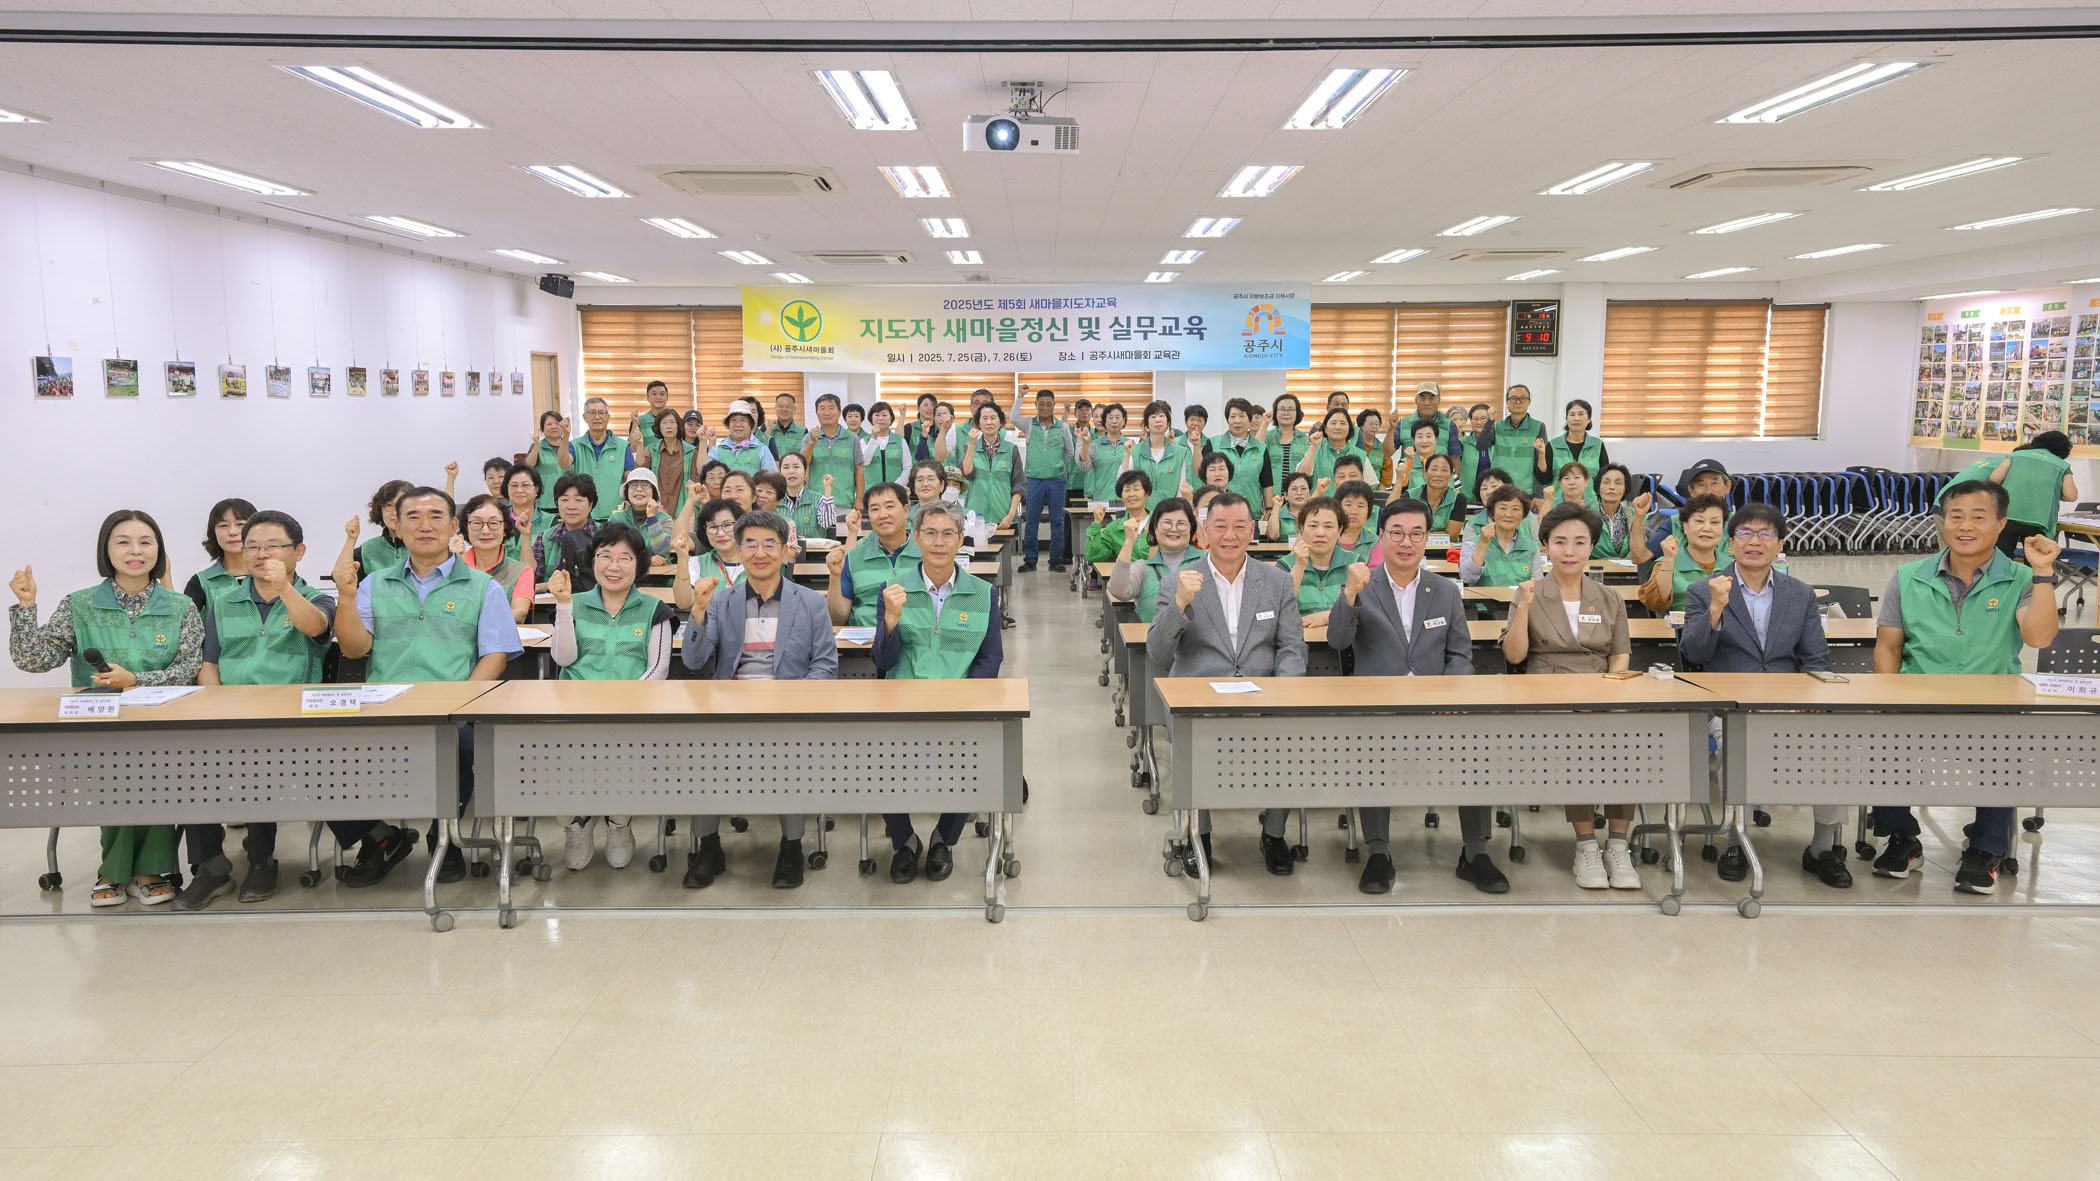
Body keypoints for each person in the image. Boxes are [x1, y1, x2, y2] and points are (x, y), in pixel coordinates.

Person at [1870, 480, 2060, 894]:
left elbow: (2040, 637)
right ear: (1943, 522)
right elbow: (1888, 645)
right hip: (1918, 705)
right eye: (1955, 516)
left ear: (2001, 523)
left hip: (1992, 709)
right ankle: (1902, 838)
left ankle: (1985, 849)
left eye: (1978, 516)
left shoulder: (2020, 578)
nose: (1965, 526)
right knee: (1882, 740)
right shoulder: (1909, 577)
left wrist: (2043, 573)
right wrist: (1888, 699)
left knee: (2009, 748)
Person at [328, 488, 520, 887]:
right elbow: (355, 648)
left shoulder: (483, 587)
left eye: (436, 516)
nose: (425, 526)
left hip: (452, 710)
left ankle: (443, 835)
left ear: (453, 526)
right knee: (324, 754)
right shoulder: (375, 584)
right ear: (397, 527)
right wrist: (346, 598)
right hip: (384, 709)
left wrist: (459, 705)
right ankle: (380, 838)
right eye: (413, 517)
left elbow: (495, 656)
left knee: (460, 747)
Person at [10, 509, 202, 907]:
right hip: (98, 727)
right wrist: (26, 606)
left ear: (158, 550)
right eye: (123, 542)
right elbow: (35, 660)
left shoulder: (181, 606)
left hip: (162, 723)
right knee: (116, 773)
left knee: (154, 771)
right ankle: (124, 871)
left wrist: (136, 680)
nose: (136, 551)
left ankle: (136, 871)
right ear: (107, 550)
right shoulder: (79, 605)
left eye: (145, 542)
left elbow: (188, 668)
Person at [1328, 497, 1505, 895]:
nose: (1406, 542)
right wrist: (1349, 595)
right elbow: (1338, 640)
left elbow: (1459, 655)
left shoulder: (1444, 590)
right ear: (1381, 536)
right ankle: (1378, 852)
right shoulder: (1362, 584)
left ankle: (1475, 853)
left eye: (1415, 534)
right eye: (1396, 533)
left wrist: (1449, 698)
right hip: (1379, 708)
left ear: (1427, 539)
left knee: (1479, 743)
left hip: (1437, 706)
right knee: (1369, 748)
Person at [1679, 503, 1846, 887]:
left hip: (1789, 705)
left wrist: (1813, 705)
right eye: (1745, 533)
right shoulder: (1704, 591)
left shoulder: (1800, 594)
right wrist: (1716, 610)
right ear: (1731, 543)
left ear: (1780, 544)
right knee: (1736, 746)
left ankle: (1822, 849)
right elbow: (1694, 654)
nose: (1755, 541)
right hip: (1730, 708)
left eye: (1765, 534)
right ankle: (1736, 841)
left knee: (1833, 747)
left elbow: (1815, 658)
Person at [178, 509, 335, 908]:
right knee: (188, 762)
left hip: (290, 718)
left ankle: (262, 859)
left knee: (257, 760)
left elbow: (315, 627)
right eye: (253, 547)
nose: (261, 555)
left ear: (298, 552)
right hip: (230, 711)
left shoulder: (315, 598)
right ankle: (210, 865)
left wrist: (284, 589)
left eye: (273, 547)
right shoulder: (223, 602)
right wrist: (216, 707)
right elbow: (209, 663)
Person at [1147, 492, 1307, 874]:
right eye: (1220, 526)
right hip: (1198, 701)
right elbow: (1158, 653)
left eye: (1239, 527)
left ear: (1252, 531)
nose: (1230, 535)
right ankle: (1197, 834)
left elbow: (1291, 646)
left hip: (1263, 697)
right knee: (1192, 739)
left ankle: (1273, 833)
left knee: (1290, 735)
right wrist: (1179, 605)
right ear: (1204, 531)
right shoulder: (1178, 582)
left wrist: (1281, 692)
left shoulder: (1277, 582)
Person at [1500, 502, 1638, 889]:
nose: (1570, 551)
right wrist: (1524, 609)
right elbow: (1515, 656)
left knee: (1628, 739)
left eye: (1579, 542)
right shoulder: (1529, 592)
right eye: (1560, 542)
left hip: (1601, 690)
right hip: (1549, 694)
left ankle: (1618, 844)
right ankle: (1586, 845)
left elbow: (1620, 654)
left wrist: (1612, 695)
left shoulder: (1609, 597)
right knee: (1581, 743)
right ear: (1545, 546)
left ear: (1592, 546)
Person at [873, 502, 1003, 884]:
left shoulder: (983, 593)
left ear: (961, 539)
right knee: (877, 761)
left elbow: (990, 658)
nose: (939, 542)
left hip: (959, 704)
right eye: (930, 533)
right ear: (916, 538)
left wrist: (966, 702)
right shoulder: (893, 591)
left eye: (948, 534)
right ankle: (904, 841)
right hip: (902, 704)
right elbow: (882, 660)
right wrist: (891, 621)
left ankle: (944, 839)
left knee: (972, 758)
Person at [550, 523, 691, 872]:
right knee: (558, 770)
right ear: (592, 561)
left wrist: (621, 706)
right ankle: (577, 824)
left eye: (625, 558)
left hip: (632, 713)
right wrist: (564, 607)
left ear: (639, 564)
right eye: (605, 556)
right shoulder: (573, 603)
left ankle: (618, 823)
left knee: (623, 762)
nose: (614, 566)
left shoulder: (655, 610)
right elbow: (563, 659)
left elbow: (658, 669)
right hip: (574, 714)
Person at [827, 483, 918, 625]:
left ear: (906, 511)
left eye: (889, 507)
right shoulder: (854, 557)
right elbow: (837, 619)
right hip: (866, 637)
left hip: (915, 637)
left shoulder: (927, 553)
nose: (883, 515)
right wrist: (835, 576)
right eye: (875, 509)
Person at [1274, 496, 1364, 628]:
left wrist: (1328, 616)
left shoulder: (1355, 563)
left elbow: (1365, 610)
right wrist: (1299, 566)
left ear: (1340, 530)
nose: (1320, 533)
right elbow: (1277, 608)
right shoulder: (1285, 565)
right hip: (1299, 637)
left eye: (1328, 526)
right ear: (1300, 528)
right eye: (1313, 526)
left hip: (1344, 638)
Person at [1107, 497, 1201, 623]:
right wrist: (1129, 542)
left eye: (1181, 524)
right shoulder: (1143, 568)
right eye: (1167, 522)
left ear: (1191, 528)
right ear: (1155, 528)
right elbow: (1117, 591)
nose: (1174, 528)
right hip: (1153, 636)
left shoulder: (1207, 560)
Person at [1015, 388, 1077, 573]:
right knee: (1031, 521)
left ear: (1054, 405)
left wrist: (1056, 465)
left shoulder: (1062, 426)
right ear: (1035, 405)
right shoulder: (1028, 424)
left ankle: (1055, 560)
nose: (1044, 407)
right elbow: (1013, 418)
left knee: (1057, 521)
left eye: (1048, 404)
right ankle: (1030, 560)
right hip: (1034, 480)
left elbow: (1070, 451)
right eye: (1041, 404)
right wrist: (1020, 397)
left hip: (1057, 481)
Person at [1989, 431, 2079, 556]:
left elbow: (1995, 478)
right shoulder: (2062, 465)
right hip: (2039, 521)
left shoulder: (2015, 456)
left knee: (2002, 558)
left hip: (2008, 515)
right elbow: (2071, 496)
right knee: (2035, 561)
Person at [1639, 493, 1729, 615]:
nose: (1707, 528)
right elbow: (1657, 603)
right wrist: (1668, 561)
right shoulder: (1665, 562)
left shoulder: (1733, 567)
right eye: (1699, 521)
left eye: (1715, 522)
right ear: (1685, 527)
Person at [456, 493, 534, 622]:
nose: (485, 531)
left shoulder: (521, 571)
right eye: (477, 523)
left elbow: (519, 613)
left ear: (504, 528)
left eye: (493, 523)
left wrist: (475, 623)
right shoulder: (455, 566)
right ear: (466, 527)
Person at [558, 397, 637, 522]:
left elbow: (630, 479)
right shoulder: (575, 445)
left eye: (601, 413)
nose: (597, 417)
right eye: (592, 413)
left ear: (608, 417)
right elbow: (563, 463)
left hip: (615, 516)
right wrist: (566, 436)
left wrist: (629, 506)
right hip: (584, 516)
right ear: (584, 417)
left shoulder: (623, 446)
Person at [1647, 458, 1735, 562]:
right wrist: (1639, 518)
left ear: (1727, 486)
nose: (1708, 491)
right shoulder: (1675, 523)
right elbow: (1641, 556)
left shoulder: (1740, 523)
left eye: (1714, 483)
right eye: (1701, 484)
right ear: (1691, 491)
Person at [182, 497, 256, 617]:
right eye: (223, 525)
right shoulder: (201, 582)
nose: (232, 532)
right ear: (213, 532)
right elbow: (184, 623)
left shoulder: (272, 576)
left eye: (240, 524)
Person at [958, 401, 1023, 536]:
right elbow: (967, 473)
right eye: (985, 418)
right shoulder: (969, 447)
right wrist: (972, 445)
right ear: (978, 423)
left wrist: (1011, 515)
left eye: (993, 418)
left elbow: (1019, 485)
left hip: (1004, 517)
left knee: (1005, 550)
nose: (989, 422)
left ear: (1000, 422)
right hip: (976, 519)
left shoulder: (1011, 449)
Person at [1475, 384, 1548, 496]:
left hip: (1526, 492)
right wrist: (1489, 421)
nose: (1518, 402)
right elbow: (1481, 446)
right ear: (1507, 402)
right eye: (1513, 398)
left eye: (1523, 398)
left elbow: (1541, 461)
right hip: (1499, 490)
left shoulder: (1538, 427)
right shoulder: (1497, 426)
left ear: (1529, 401)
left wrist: (1539, 494)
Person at [534, 472, 601, 592]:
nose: (571, 506)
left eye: (579, 500)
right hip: (552, 601)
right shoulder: (545, 538)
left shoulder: (605, 536)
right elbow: (532, 582)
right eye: (564, 500)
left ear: (590, 505)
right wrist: (548, 585)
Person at [1125, 399, 1196, 512]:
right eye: (1153, 417)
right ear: (1146, 424)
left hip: (1169, 513)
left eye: (1162, 416)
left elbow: (1182, 488)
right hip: (1140, 513)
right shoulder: (1135, 450)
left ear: (1168, 422)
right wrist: (1126, 455)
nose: (1158, 420)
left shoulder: (1180, 452)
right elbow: (1123, 480)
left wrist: (1176, 513)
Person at [800, 392, 863, 514]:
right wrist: (812, 443)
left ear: (839, 412)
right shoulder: (809, 437)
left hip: (845, 502)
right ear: (816, 413)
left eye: (831, 408)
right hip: (816, 502)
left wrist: (859, 499)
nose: (827, 413)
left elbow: (859, 470)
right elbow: (803, 464)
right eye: (822, 408)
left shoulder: (852, 438)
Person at [1209, 398, 1271, 508]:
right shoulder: (1213, 444)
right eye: (1232, 416)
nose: (1237, 421)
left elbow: (1267, 482)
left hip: (1251, 511)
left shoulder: (1261, 448)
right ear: (1227, 420)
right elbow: (1202, 478)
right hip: (1219, 509)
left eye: (1242, 416)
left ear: (1249, 419)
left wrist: (1269, 509)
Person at [1539, 398, 1610, 492]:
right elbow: (1543, 479)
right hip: (1559, 500)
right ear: (1566, 419)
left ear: (1589, 419)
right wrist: (1541, 455)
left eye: (1581, 414)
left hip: (1590, 500)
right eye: (1572, 414)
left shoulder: (1598, 445)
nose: (1576, 418)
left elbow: (1605, 479)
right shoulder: (1553, 445)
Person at [1083, 471, 1153, 565]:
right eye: (1127, 490)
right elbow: (1093, 556)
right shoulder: (1114, 528)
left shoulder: (1159, 522)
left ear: (1146, 493)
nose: (1131, 494)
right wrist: (1096, 524)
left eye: (1136, 489)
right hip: (1127, 574)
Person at [605, 469, 675, 558]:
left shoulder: (665, 519)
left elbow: (663, 551)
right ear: (627, 491)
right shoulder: (616, 518)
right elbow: (611, 551)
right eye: (633, 484)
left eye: (645, 484)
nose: (638, 489)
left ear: (653, 492)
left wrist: (652, 518)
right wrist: (647, 560)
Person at [1592, 463, 1653, 563]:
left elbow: (1641, 551)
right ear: (1598, 488)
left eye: (1618, 483)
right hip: (1592, 569)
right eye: (1606, 482)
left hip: (1628, 570)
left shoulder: (1635, 514)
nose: (1612, 487)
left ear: (1625, 489)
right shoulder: (1586, 514)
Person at [683, 498, 748, 589]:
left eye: (727, 525)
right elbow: (684, 598)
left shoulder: (757, 560)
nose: (720, 533)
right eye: (713, 527)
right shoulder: (696, 563)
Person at [355, 479, 412, 579]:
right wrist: (351, 539)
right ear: (380, 509)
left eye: (401, 505)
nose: (395, 512)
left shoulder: (426, 543)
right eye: (389, 505)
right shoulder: (367, 549)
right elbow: (340, 577)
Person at [776, 451, 838, 542]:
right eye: (786, 467)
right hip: (783, 551)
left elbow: (827, 523)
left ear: (806, 472)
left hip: (813, 551)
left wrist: (828, 489)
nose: (791, 471)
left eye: (796, 467)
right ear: (780, 473)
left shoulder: (818, 499)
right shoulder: (774, 501)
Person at [1392, 381, 1461, 463]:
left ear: (1439, 400)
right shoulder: (1403, 423)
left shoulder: (1449, 425)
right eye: (1422, 398)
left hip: (1439, 470)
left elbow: (1455, 459)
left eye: (1431, 398)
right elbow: (1388, 452)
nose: (1426, 403)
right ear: (1416, 400)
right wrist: (1390, 429)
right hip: (1410, 470)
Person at [1298, 407, 1369, 486]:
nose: (1338, 427)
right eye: (1333, 423)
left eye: (1342, 423)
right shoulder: (1314, 451)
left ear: (1349, 429)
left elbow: (1369, 486)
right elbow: (1301, 478)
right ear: (1325, 428)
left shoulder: (1360, 454)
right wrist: (1313, 447)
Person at [859, 400, 921, 490]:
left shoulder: (900, 440)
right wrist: (873, 439)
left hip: (895, 490)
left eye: (884, 415)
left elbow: (908, 467)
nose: (881, 418)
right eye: (877, 415)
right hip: (871, 491)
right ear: (871, 418)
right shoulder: (864, 440)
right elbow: (865, 461)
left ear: (891, 418)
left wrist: (896, 486)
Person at [503, 463, 554, 565]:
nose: (519, 490)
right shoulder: (498, 519)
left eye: (525, 485)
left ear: (536, 489)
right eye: (514, 486)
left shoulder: (552, 522)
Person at [709, 400, 777, 474]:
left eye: (743, 420)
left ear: (750, 424)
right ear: (728, 425)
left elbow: (771, 479)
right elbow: (707, 475)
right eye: (733, 420)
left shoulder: (762, 450)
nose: (738, 424)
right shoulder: (718, 451)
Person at [1084, 403, 1130, 503]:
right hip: (1102, 501)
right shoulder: (1094, 445)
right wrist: (1084, 443)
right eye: (1110, 418)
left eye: (1118, 417)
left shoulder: (1130, 445)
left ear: (1124, 421)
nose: (1114, 421)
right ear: (1104, 421)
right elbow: (1085, 468)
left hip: (1125, 502)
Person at [1265, 394, 1310, 496]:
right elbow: (1256, 455)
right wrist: (1264, 423)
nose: (1286, 413)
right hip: (1270, 498)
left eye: (1290, 409)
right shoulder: (1267, 437)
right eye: (1282, 409)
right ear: (1275, 412)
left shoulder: (1305, 439)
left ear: (1297, 413)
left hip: (1298, 497)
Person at [1391, 422, 1444, 499]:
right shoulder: (1404, 462)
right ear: (1414, 440)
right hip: (1413, 505)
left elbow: (1455, 492)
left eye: (1428, 436)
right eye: (1420, 437)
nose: (1424, 441)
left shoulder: (1446, 463)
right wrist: (1409, 461)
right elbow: (1401, 487)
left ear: (1436, 439)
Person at [529, 409, 568, 516]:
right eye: (549, 424)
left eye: (557, 423)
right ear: (542, 429)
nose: (554, 426)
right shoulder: (537, 446)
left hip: (568, 502)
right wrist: (537, 446)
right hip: (544, 503)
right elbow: (528, 466)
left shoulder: (571, 446)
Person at [1457, 402, 1494, 497]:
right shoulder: (1462, 443)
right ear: (1470, 421)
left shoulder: (1498, 443)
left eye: (1483, 418)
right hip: (1469, 497)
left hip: (1494, 496)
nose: (1479, 422)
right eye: (1476, 419)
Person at [627, 379, 674, 453]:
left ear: (667, 397)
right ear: (648, 398)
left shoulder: (675, 420)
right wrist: (635, 424)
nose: (658, 397)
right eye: (654, 394)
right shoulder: (639, 421)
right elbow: (632, 449)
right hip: (647, 459)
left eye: (662, 394)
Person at [1334, 481, 1381, 553]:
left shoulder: (1374, 542)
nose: (1354, 512)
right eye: (1348, 505)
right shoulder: (1325, 537)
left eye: (1360, 506)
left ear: (1369, 511)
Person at [1264, 472, 1314, 541]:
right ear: (1286, 495)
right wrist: (1276, 508)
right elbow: (1272, 536)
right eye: (1294, 489)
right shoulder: (1278, 513)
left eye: (1303, 488)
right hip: (1283, 548)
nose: (1299, 493)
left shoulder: (1315, 514)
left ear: (1309, 494)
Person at [766, 392, 809, 458]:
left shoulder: (803, 431)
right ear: (775, 408)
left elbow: (806, 456)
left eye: (788, 407)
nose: (784, 409)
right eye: (781, 406)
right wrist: (769, 430)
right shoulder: (766, 428)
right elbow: (758, 451)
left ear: (794, 409)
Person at [1354, 408, 1391, 484]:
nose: (1374, 427)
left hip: (1376, 489)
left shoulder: (1383, 448)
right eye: (1371, 424)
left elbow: (1386, 475)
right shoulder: (1354, 445)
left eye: (1377, 424)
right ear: (1361, 426)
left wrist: (1380, 490)